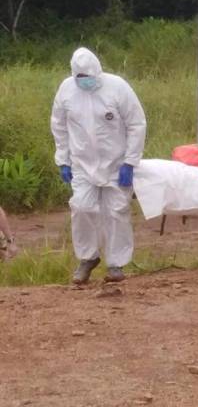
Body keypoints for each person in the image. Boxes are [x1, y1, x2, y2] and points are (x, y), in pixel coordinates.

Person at [50, 47, 147, 284]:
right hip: (82, 163)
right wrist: (63, 159)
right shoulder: (66, 90)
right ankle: (88, 258)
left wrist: (130, 162)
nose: (85, 82)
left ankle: (116, 264)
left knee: (116, 212)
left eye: (89, 77)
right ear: (74, 75)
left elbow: (137, 123)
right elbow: (59, 126)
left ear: (97, 71)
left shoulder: (117, 87)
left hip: (116, 163)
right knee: (81, 208)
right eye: (80, 78)